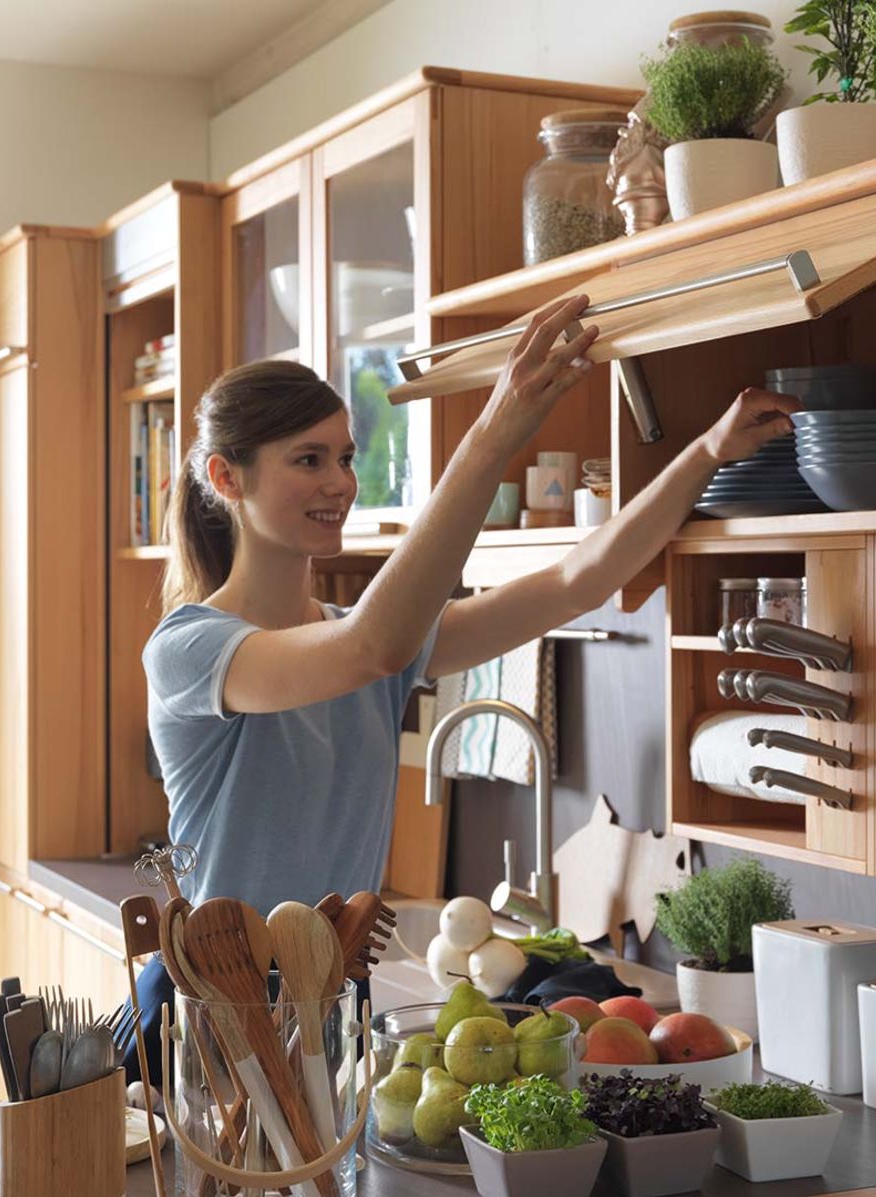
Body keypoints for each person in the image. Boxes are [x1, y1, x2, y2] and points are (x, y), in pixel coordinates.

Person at [128, 294, 799, 1081]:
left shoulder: (371, 639)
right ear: (224, 477)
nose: (338, 482)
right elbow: (368, 646)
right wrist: (493, 433)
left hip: (331, 994)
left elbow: (578, 580)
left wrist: (706, 452)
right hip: (215, 1003)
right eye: (307, 459)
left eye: (345, 457)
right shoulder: (191, 649)